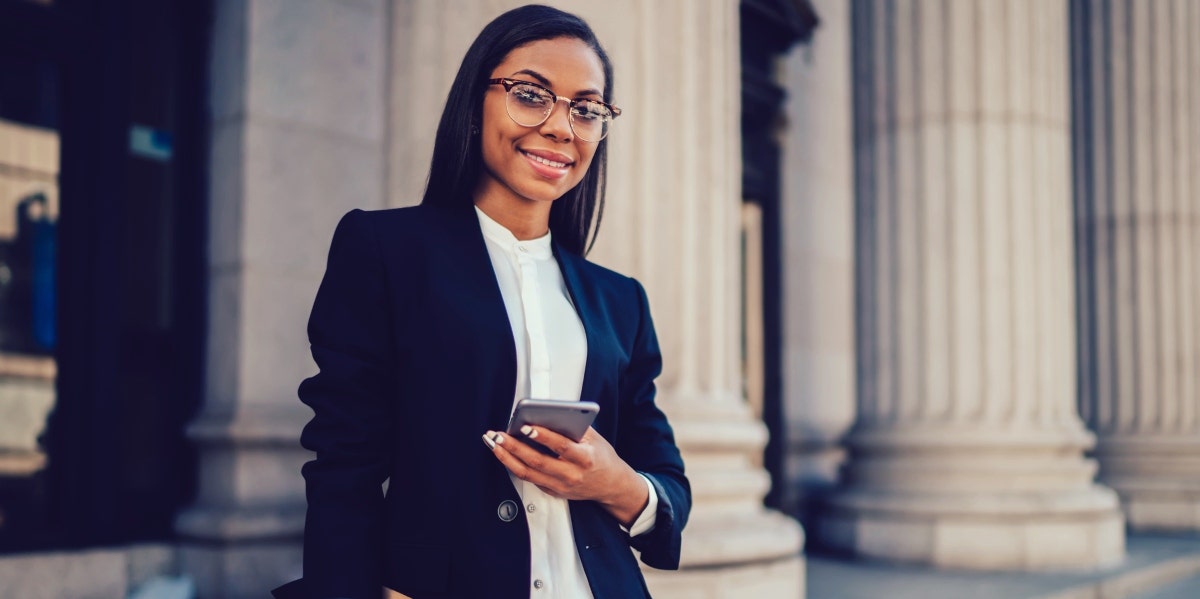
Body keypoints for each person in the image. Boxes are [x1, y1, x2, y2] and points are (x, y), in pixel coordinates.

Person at [272, 5, 690, 599]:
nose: (560, 127)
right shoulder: (386, 250)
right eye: (530, 94)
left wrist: (616, 484)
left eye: (586, 109)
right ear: (476, 103)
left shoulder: (620, 300)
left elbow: (666, 477)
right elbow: (344, 463)